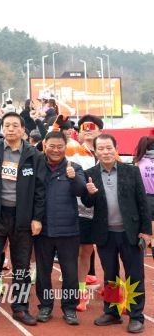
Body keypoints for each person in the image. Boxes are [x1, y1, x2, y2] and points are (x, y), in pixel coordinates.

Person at [0, 111, 45, 326]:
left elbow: (40, 189)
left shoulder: (34, 155)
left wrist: (37, 217)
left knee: (22, 265)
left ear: (23, 130)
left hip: (23, 217)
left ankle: (20, 307)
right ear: (2, 128)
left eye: (15, 125)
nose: (11, 129)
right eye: (7, 125)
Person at [82, 134, 151, 334]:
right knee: (110, 276)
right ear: (95, 151)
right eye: (101, 148)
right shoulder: (89, 174)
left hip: (131, 233)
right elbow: (87, 203)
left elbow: (143, 202)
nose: (105, 152)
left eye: (108, 148)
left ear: (116, 148)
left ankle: (136, 316)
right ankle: (112, 312)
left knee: (134, 275)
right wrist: (89, 193)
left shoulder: (132, 171)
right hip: (105, 234)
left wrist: (146, 231)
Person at [34, 131, 85, 326]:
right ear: (45, 145)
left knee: (70, 272)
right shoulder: (38, 166)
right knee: (43, 272)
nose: (56, 150)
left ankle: (70, 308)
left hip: (68, 230)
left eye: (60, 147)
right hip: (43, 230)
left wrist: (74, 178)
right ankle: (45, 306)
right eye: (52, 146)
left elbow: (82, 192)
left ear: (66, 147)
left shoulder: (74, 167)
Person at [66, 114, 104, 310]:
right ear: (79, 133)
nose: (88, 131)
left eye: (92, 127)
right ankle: (80, 292)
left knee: (110, 254)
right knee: (83, 252)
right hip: (82, 211)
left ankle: (115, 294)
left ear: (100, 131)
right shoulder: (73, 151)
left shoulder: (107, 151)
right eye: (84, 128)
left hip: (106, 212)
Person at [133, 135, 154, 258]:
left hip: (145, 199)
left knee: (148, 232)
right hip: (148, 198)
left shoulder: (138, 162)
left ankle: (144, 247)